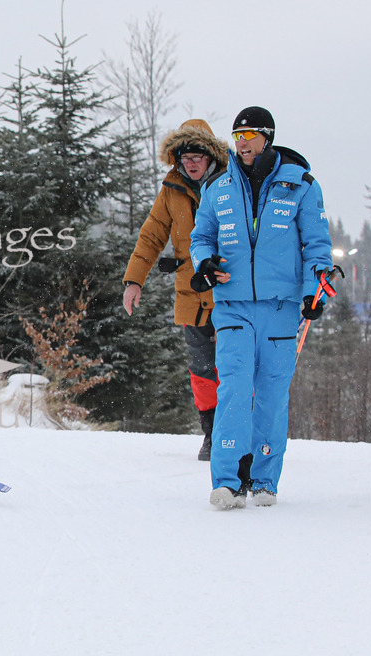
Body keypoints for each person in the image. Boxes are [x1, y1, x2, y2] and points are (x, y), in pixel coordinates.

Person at [190, 106, 332, 508]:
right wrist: (204, 263)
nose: (243, 143)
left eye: (250, 135)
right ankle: (227, 481)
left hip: (281, 307)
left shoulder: (301, 185)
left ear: (267, 137)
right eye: (238, 136)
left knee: (271, 392)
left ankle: (265, 480)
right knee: (234, 388)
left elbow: (317, 246)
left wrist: (315, 293)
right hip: (232, 305)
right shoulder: (218, 187)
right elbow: (202, 237)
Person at [122, 119, 228, 461]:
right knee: (202, 367)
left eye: (197, 156)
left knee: (235, 365)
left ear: (211, 156)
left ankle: (238, 433)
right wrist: (134, 280)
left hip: (230, 290)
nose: (191, 163)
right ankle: (211, 433)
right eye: (185, 157)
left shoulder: (232, 183)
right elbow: (151, 236)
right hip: (191, 295)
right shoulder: (171, 189)